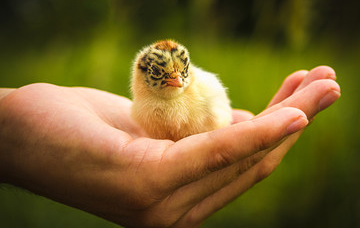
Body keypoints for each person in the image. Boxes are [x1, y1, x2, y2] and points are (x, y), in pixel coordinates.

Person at [0, 66, 340, 228]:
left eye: (178, 74)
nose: (175, 80)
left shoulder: (189, 97)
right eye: (162, 74)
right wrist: (10, 120)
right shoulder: (146, 106)